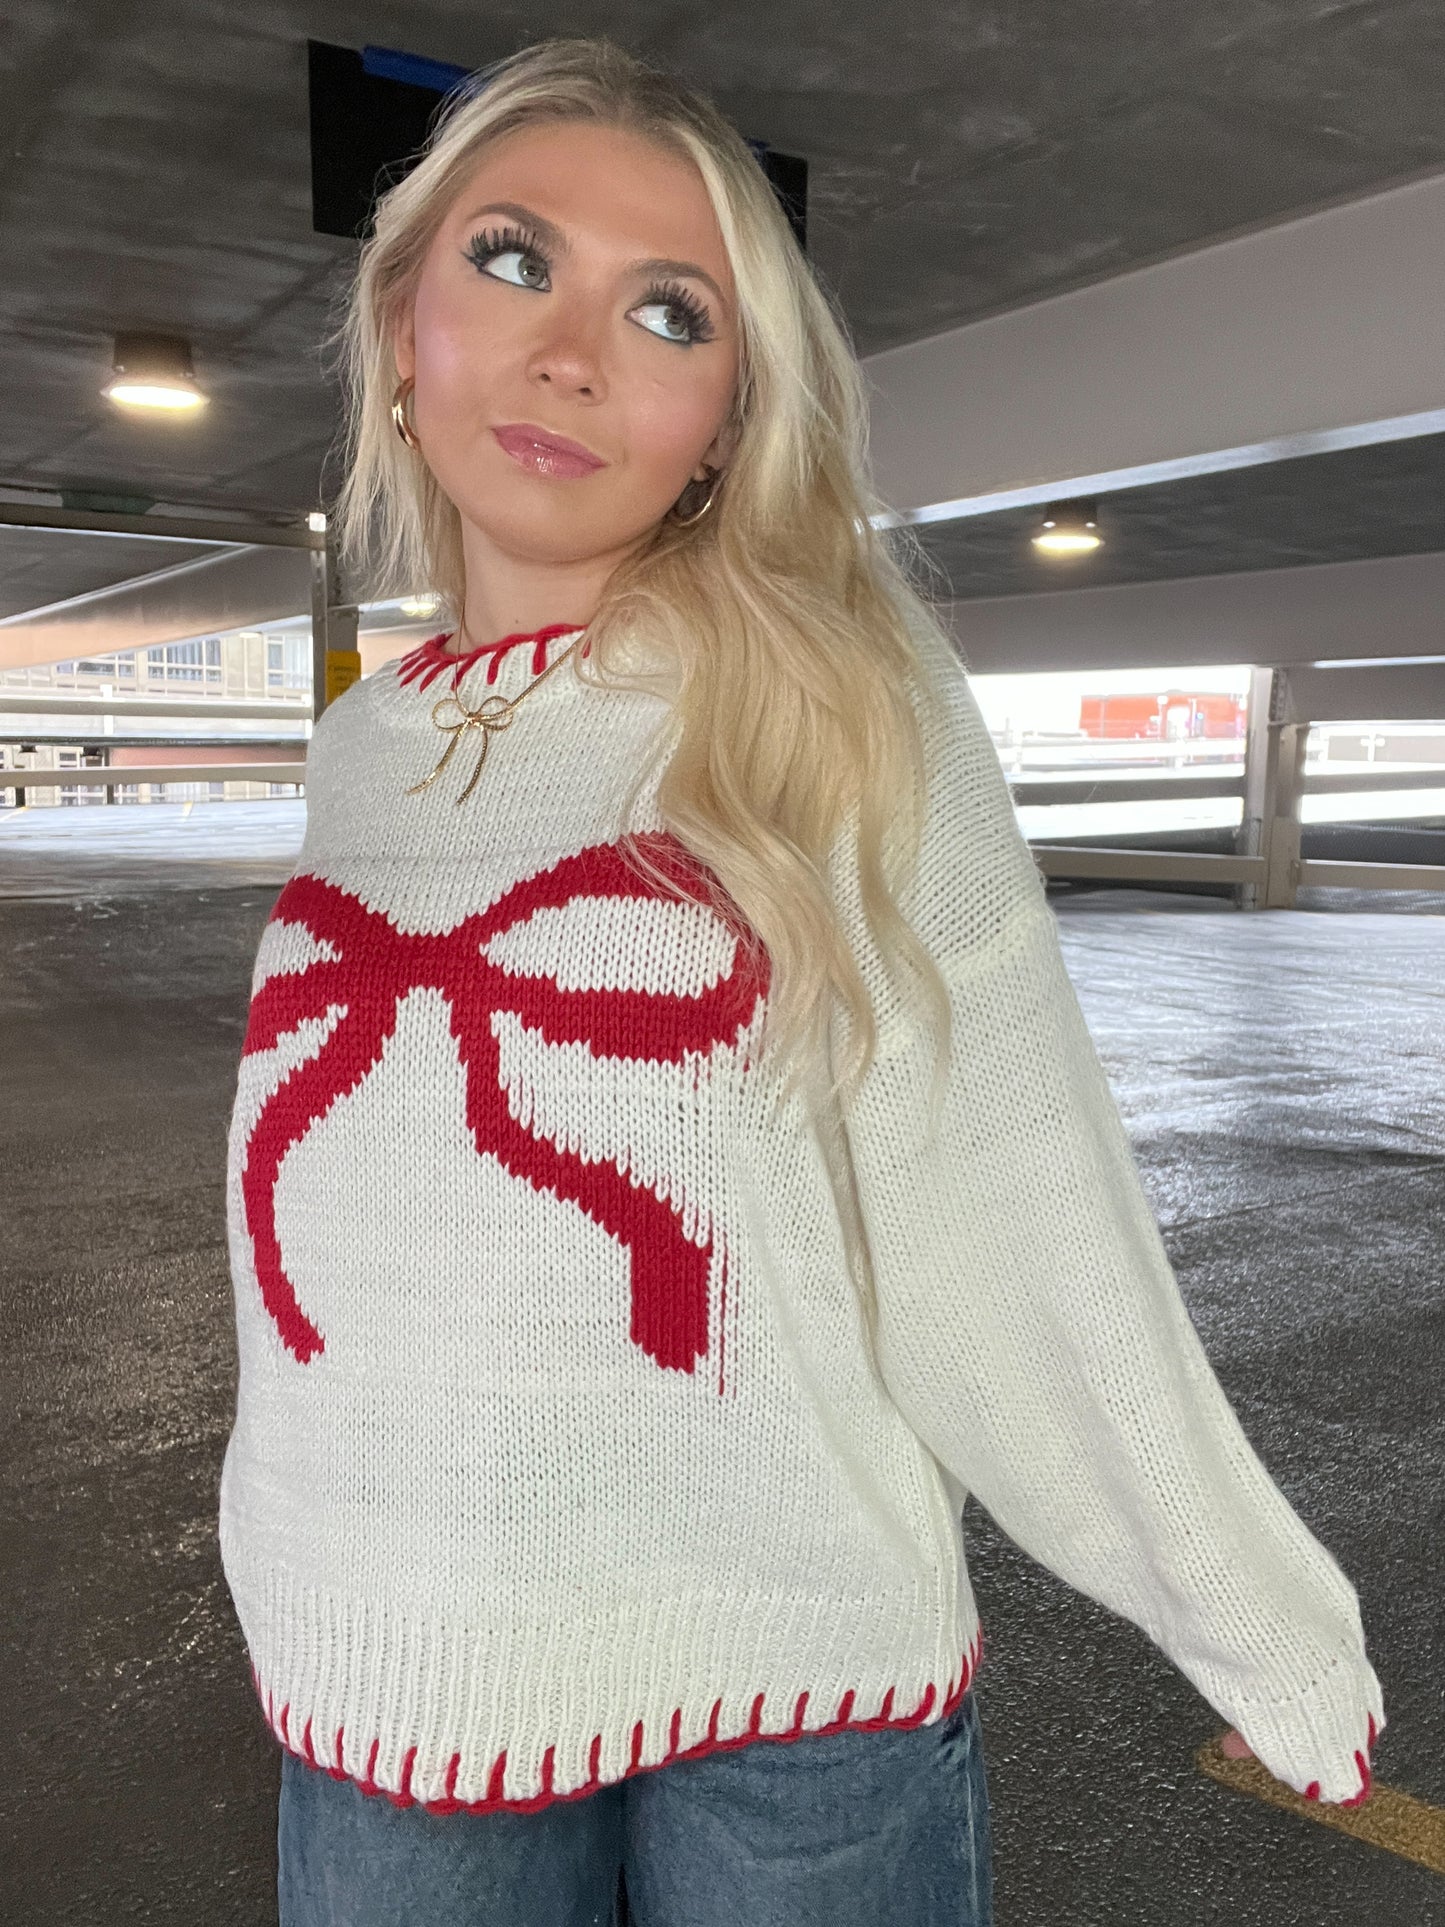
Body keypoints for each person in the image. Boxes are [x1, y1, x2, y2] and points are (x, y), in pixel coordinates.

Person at [217, 34, 1384, 1927]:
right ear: (397, 318)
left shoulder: (837, 692)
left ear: (727, 413)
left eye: (667, 312)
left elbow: (1003, 1192)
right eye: (513, 260)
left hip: (786, 1675)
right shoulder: (359, 751)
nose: (574, 352)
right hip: (387, 1668)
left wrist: (1241, 1606)